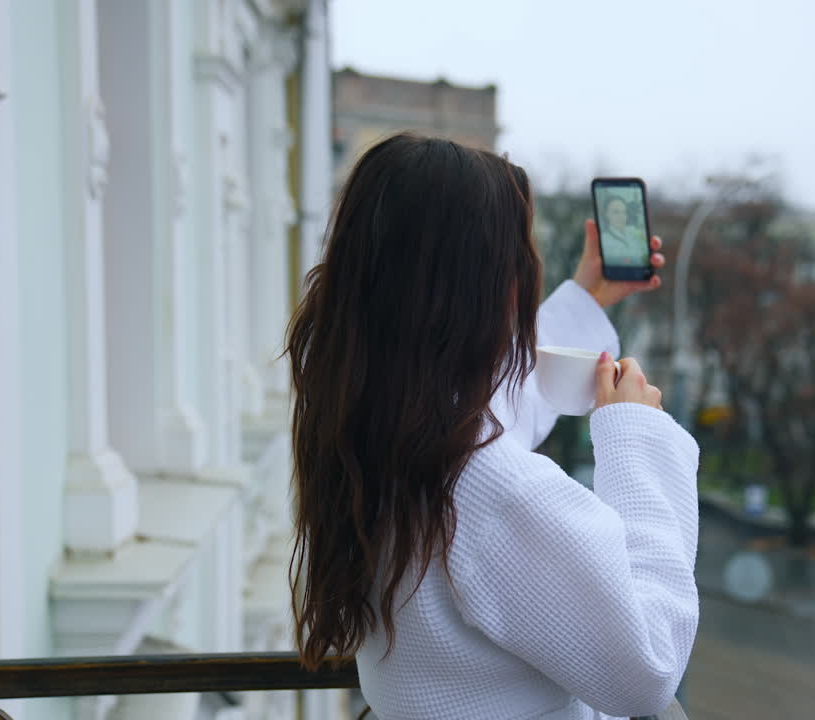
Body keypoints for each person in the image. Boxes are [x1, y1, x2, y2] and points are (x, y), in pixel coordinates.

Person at [286, 134, 699, 720]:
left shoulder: (363, 412)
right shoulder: (492, 488)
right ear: (487, 286)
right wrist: (636, 438)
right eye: (518, 255)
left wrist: (586, 301)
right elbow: (649, 667)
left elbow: (493, 406)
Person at [599, 195, 648, 266]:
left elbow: (641, 257)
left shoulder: (632, 232)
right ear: (606, 214)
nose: (622, 216)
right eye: (616, 212)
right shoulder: (604, 239)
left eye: (624, 212)